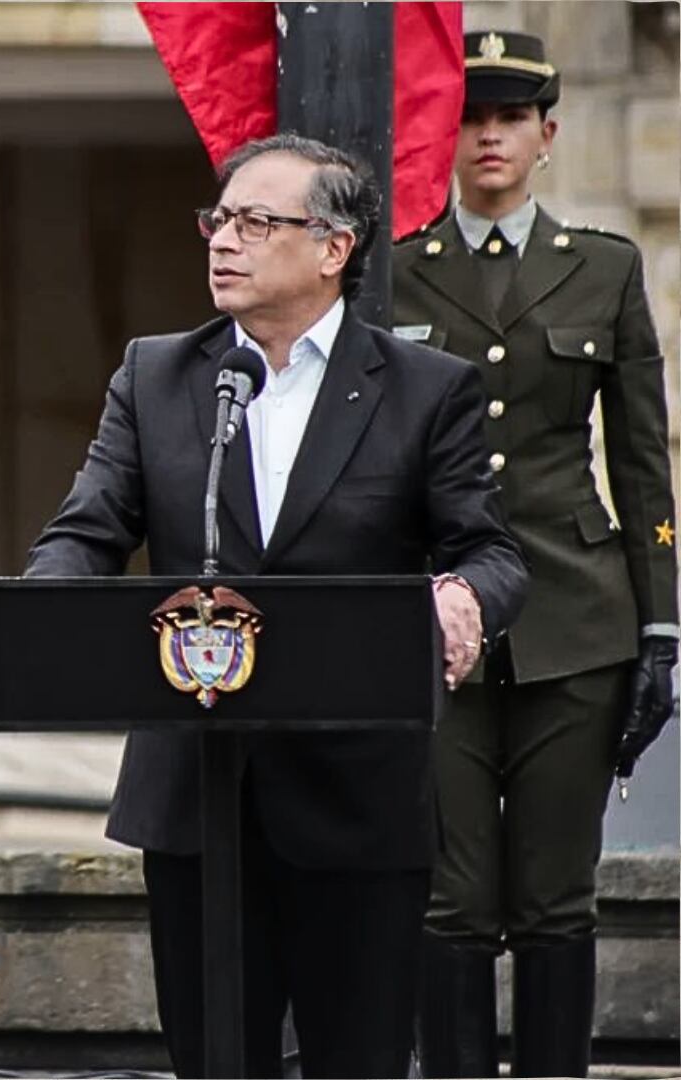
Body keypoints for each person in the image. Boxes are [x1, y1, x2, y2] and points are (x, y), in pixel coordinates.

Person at [21, 133, 528, 1078]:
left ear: (334, 247)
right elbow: (86, 532)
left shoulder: (426, 391)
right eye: (220, 219)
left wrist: (459, 598)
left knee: (358, 1061)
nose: (224, 240)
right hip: (197, 795)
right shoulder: (158, 375)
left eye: (259, 222)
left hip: (357, 798)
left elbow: (491, 552)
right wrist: (41, 618)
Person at [392, 30, 678, 1079]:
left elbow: (643, 463)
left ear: (546, 135)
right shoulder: (395, 274)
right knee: (452, 895)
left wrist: (660, 627)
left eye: (510, 118)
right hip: (441, 624)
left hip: (577, 615)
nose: (489, 137)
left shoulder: (602, 269)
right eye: (471, 118)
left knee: (559, 894)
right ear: (445, 134)